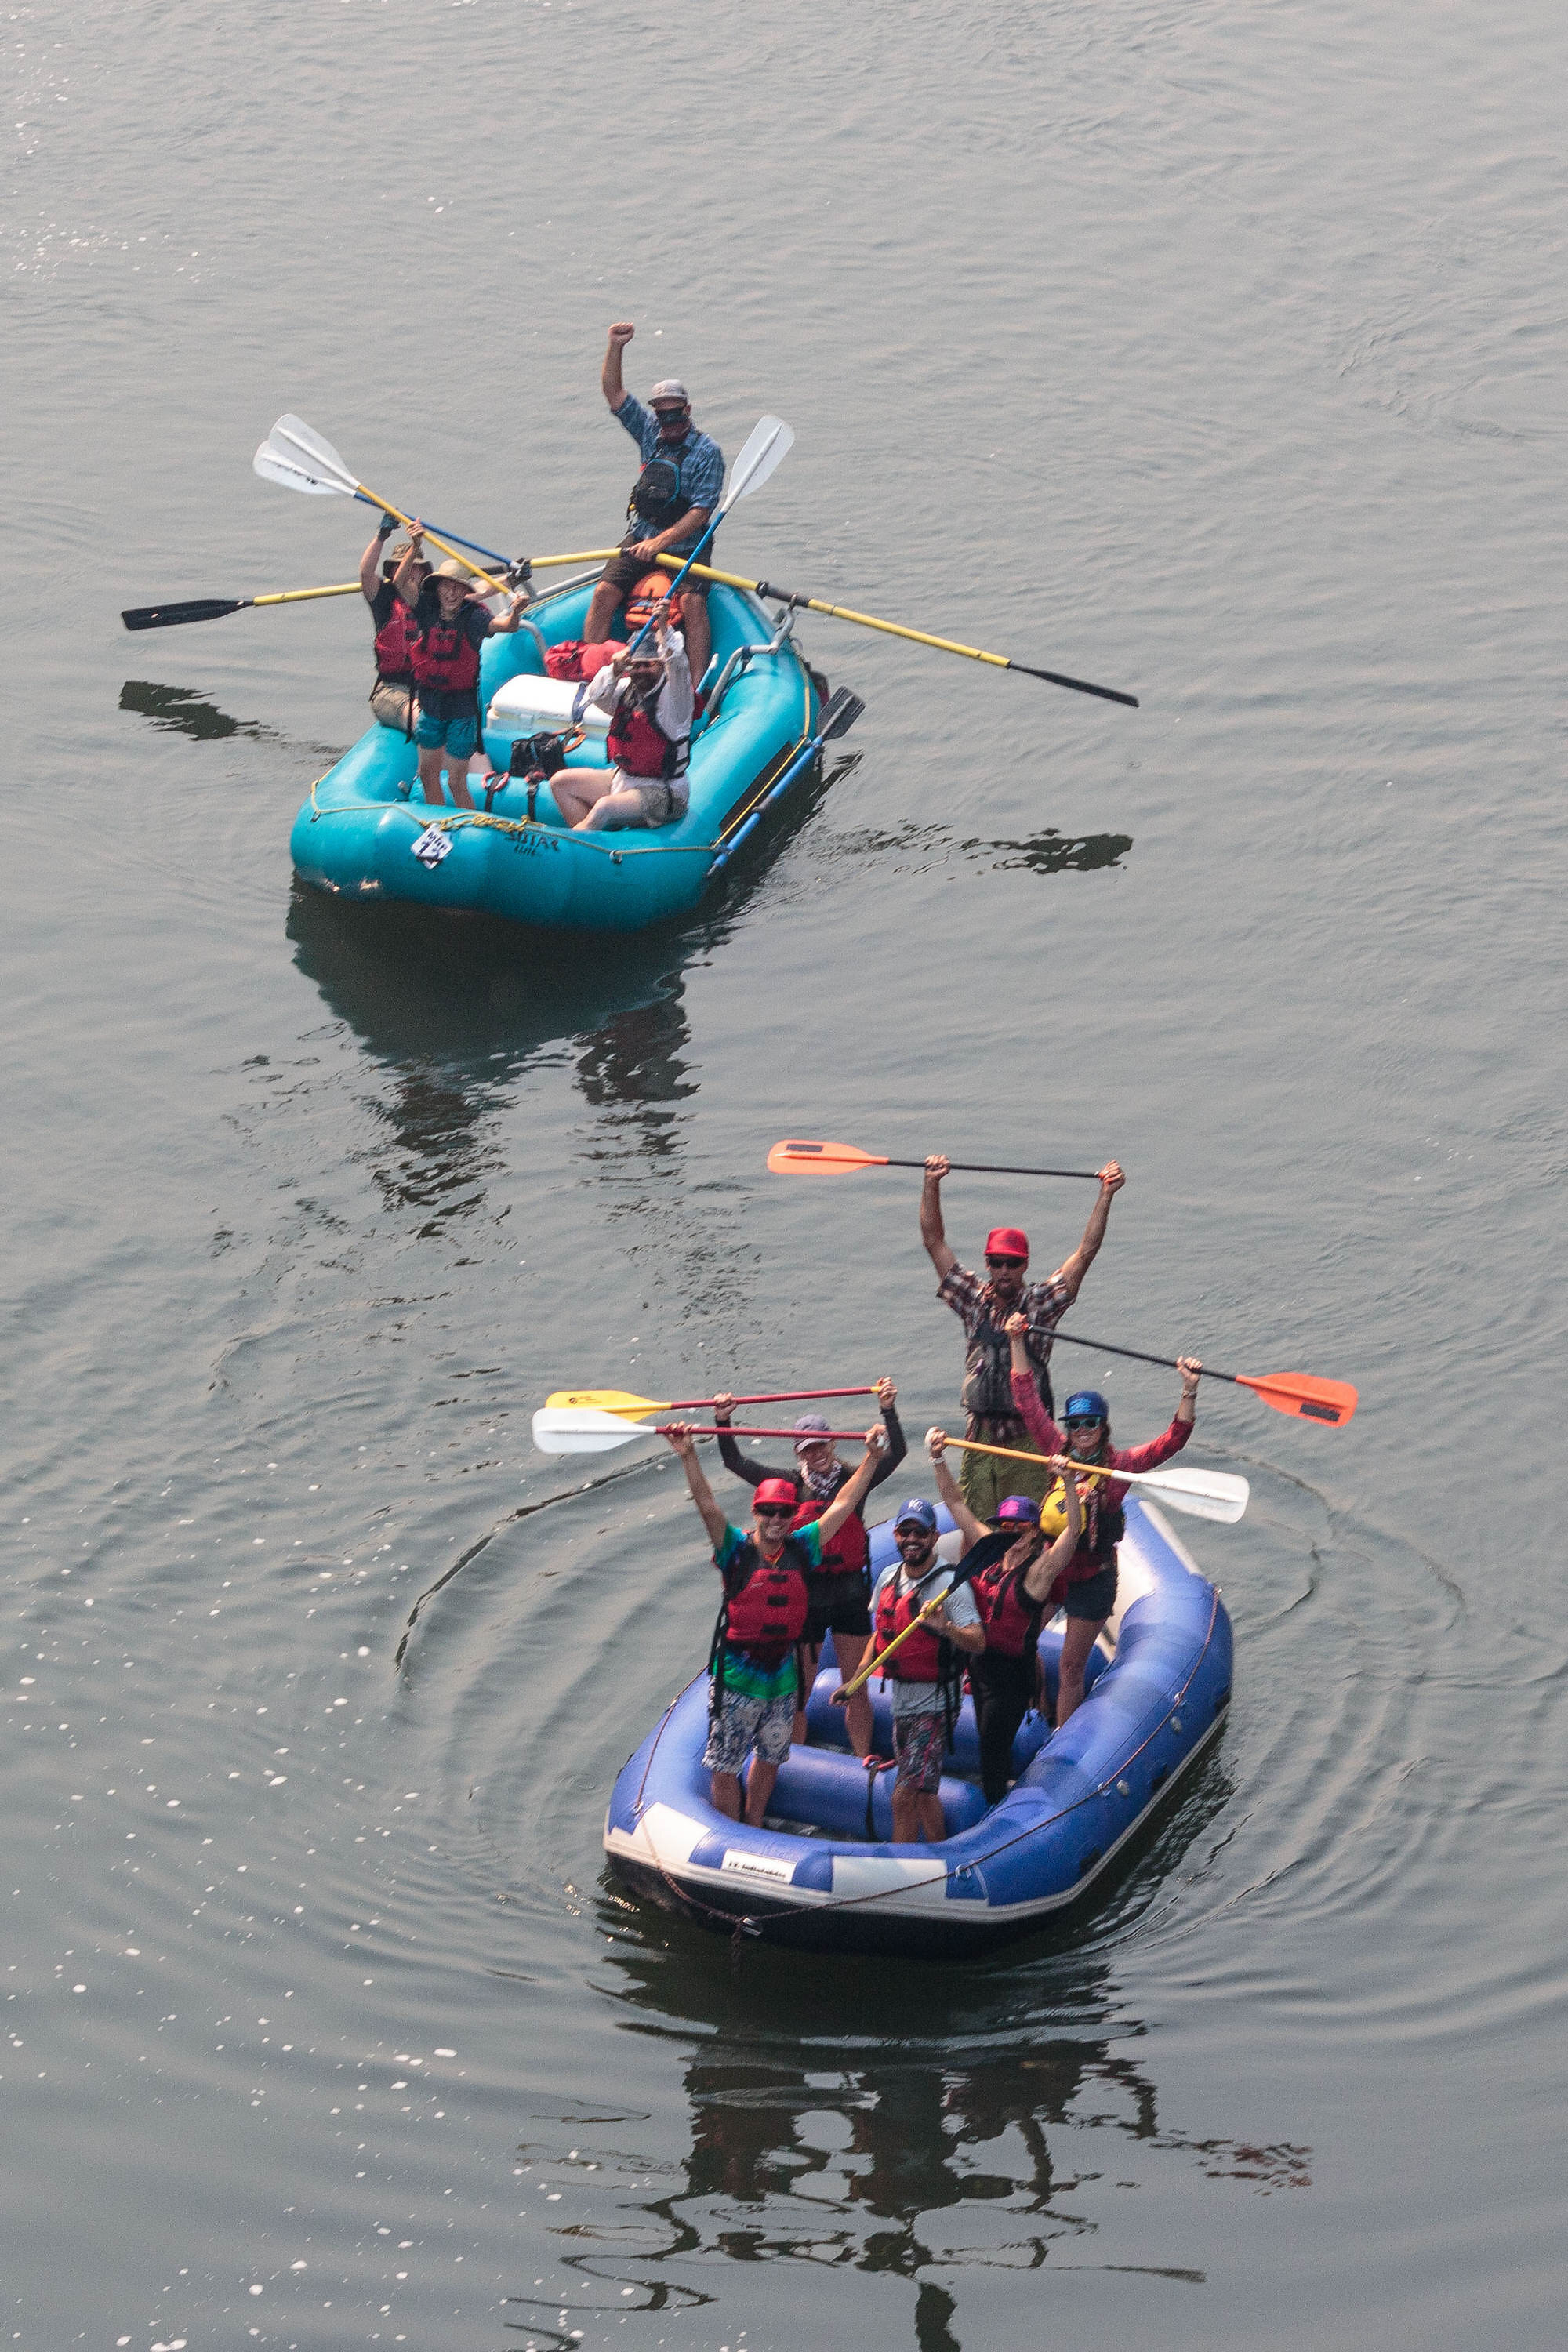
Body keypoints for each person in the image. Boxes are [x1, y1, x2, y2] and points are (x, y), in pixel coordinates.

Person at [665, 1420, 885, 1826]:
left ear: (792, 1515)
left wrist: (871, 1457)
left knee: (769, 1761)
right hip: (737, 1679)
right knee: (725, 1765)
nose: (776, 1519)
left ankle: (754, 1821)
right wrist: (688, 1455)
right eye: (768, 1511)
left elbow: (843, 1505)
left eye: (784, 1512)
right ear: (756, 1512)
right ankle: (731, 1828)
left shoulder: (802, 1547)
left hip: (782, 1681)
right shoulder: (734, 1549)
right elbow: (707, 1506)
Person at [1005, 1312, 1202, 1727]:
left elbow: (1171, 1443)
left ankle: (1061, 1737)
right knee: (1017, 1645)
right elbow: (1027, 1401)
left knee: (1072, 1668)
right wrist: (1017, 1341)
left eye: (1090, 1423)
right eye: (1075, 1424)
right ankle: (1034, 1705)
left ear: (1103, 1426)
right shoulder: (1054, 1449)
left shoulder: (1119, 1469)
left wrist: (1188, 1390)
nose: (1081, 1431)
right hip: (1052, 1569)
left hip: (1093, 1579)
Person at [920, 1152, 1127, 1519]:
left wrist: (1105, 1195)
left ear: (1025, 1265)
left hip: (1028, 1438)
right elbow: (934, 1242)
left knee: (1028, 1523)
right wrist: (932, 1183)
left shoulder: (1042, 1304)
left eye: (1012, 1263)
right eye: (997, 1263)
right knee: (976, 1520)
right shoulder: (972, 1300)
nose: (1004, 1271)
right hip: (980, 1436)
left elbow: (1086, 1251)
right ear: (987, 1264)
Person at [710, 1379, 907, 1759]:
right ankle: (794, 1760)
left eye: (822, 1444)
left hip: (850, 1594)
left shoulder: (856, 1477)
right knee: (799, 1691)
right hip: (807, 1601)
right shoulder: (786, 1486)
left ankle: (862, 1755)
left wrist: (888, 1409)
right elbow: (735, 1462)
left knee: (856, 1687)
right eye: (808, 1448)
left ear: (833, 1443)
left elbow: (896, 1452)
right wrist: (722, 1420)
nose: (817, 1453)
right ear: (799, 1452)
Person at [924, 1428, 1082, 1805]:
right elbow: (955, 1503)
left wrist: (1069, 1483)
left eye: (1019, 1528)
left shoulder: (1040, 1571)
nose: (1010, 1533)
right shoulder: (988, 1549)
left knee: (992, 1749)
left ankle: (994, 1804)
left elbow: (1074, 1532)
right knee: (985, 1736)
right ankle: (1001, 1788)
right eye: (1005, 1526)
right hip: (977, 1667)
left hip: (1012, 1678)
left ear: (1033, 1533)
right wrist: (937, 1458)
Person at [835, 1495, 985, 1844]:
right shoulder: (888, 1576)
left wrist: (945, 1627)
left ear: (934, 1536)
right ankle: (941, 1852)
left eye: (920, 1532)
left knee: (903, 1795)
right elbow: (880, 1634)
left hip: (935, 1707)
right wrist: (858, 1678)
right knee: (924, 1794)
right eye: (905, 1532)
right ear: (897, 1536)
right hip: (902, 1702)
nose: (912, 1539)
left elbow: (978, 1641)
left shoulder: (951, 1586)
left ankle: (902, 1866)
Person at [583, 325, 724, 687]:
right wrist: (615, 347)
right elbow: (613, 393)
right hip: (642, 534)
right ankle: (593, 673)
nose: (669, 423)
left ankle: (693, 686)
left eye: (676, 414)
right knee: (603, 592)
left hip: (687, 546)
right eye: (663, 415)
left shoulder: (707, 451)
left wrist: (661, 545)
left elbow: (701, 511)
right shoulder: (650, 433)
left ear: (688, 410)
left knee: (692, 603)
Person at [394, 539, 529, 811]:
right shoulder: (426, 608)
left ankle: (468, 823)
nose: (451, 594)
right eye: (447, 586)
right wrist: (415, 545)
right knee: (427, 774)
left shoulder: (474, 618)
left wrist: (515, 611)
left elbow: (506, 626)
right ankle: (438, 822)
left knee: (457, 781)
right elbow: (399, 582)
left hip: (462, 709)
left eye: (458, 588)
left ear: (466, 592)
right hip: (431, 704)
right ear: (438, 587)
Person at [550, 615, 694, 831]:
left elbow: (678, 663)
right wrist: (615, 670)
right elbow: (596, 695)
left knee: (604, 807)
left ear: (661, 665)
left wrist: (664, 626)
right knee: (560, 783)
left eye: (648, 665)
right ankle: (592, 844)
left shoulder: (675, 698)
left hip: (665, 792)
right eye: (635, 666)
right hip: (625, 780)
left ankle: (571, 847)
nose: (641, 671)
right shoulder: (626, 690)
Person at [360, 515, 428, 733]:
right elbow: (366, 573)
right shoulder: (383, 598)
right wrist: (382, 536)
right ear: (392, 573)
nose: (408, 571)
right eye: (401, 567)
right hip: (391, 690)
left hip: (428, 688)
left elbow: (473, 595)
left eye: (414, 567)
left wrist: (509, 581)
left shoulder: (434, 600)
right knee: (424, 719)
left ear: (423, 573)